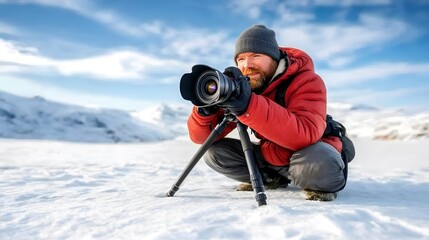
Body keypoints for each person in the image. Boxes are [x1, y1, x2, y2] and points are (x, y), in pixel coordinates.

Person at [186, 24, 345, 201]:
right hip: (271, 157)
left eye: (256, 56)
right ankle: (271, 179)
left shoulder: (307, 80)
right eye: (241, 58)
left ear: (274, 58)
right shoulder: (248, 88)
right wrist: (206, 111)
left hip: (307, 155)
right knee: (215, 153)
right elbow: (200, 138)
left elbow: (306, 134)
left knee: (317, 164)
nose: (247, 65)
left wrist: (249, 105)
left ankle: (319, 182)